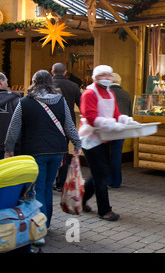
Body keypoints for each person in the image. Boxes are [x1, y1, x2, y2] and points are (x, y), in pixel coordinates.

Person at [4, 70, 81, 245]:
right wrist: (76, 144)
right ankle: (45, 224)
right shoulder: (60, 100)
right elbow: (69, 125)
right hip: (56, 151)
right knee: (47, 187)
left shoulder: (24, 102)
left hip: (34, 151)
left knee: (37, 188)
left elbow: (13, 129)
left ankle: (39, 231)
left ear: (33, 82)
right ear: (50, 82)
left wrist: (9, 149)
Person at [79, 65, 137, 221]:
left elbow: (116, 114)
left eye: (109, 75)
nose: (106, 78)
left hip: (104, 138)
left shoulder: (110, 93)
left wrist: (127, 120)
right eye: (103, 75)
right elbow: (91, 117)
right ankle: (104, 210)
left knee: (100, 173)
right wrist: (111, 124)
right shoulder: (89, 93)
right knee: (101, 175)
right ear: (95, 77)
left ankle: (81, 199)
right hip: (90, 138)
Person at [51, 62, 82, 191]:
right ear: (65, 72)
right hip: (66, 123)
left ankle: (49, 180)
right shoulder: (73, 86)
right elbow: (81, 104)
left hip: (49, 123)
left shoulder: (46, 85)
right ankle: (61, 182)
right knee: (63, 152)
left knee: (49, 151)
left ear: (52, 72)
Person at [108, 72, 133, 188]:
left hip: (109, 128)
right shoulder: (126, 94)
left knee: (107, 154)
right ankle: (117, 181)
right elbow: (129, 113)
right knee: (117, 155)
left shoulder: (107, 93)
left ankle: (108, 179)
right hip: (121, 128)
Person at [0, 72, 20, 159]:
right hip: (10, 148)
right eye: (6, 82)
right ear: (1, 82)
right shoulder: (17, 101)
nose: (7, 84)